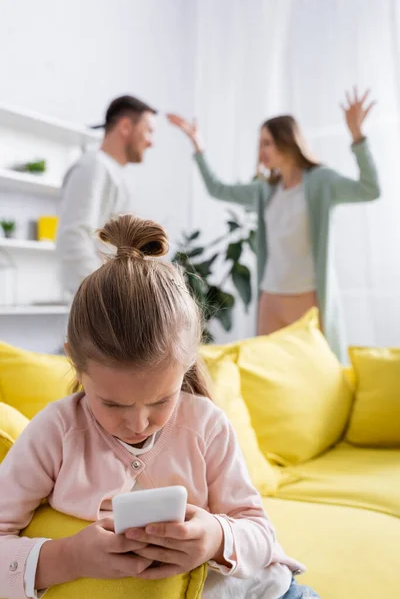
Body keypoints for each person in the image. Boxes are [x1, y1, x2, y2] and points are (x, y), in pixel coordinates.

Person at [0, 214, 320, 599]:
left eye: (161, 400)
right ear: (76, 364)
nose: (138, 423)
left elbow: (260, 534)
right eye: (113, 403)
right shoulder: (56, 432)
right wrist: (70, 557)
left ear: (186, 365)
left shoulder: (206, 424)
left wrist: (215, 537)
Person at [167, 88, 380, 361]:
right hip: (271, 297)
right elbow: (217, 189)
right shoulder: (265, 190)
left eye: (267, 143)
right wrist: (197, 144)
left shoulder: (321, 181)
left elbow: (370, 189)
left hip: (307, 298)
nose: (261, 151)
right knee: (269, 367)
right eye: (260, 144)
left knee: (313, 370)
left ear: (287, 141)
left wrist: (358, 137)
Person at [56, 95, 157, 300]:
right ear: (126, 126)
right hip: (95, 304)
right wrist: (102, 297)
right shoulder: (92, 166)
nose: (150, 142)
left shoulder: (115, 174)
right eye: (148, 131)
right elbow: (74, 237)